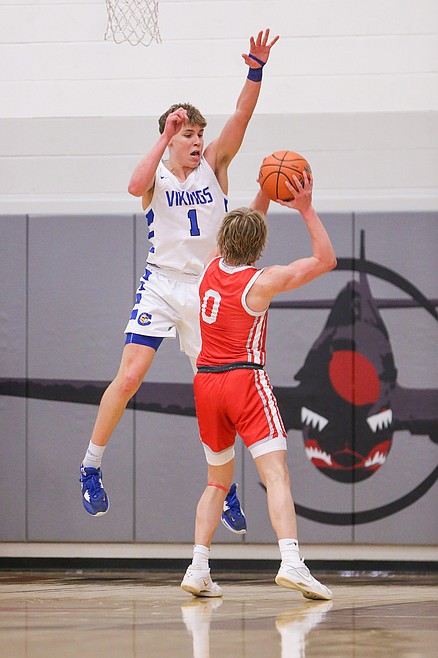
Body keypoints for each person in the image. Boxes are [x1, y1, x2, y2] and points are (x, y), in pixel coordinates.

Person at [79, 29, 279, 535]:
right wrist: (164, 134)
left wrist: (255, 70)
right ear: (170, 138)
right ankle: (91, 465)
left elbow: (241, 116)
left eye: (197, 133)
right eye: (186, 134)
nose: (195, 141)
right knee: (130, 376)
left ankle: (225, 486)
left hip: (207, 290)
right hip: (162, 284)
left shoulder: (215, 164)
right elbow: (133, 185)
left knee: (213, 394)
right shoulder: (157, 176)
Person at [180, 171, 337, 600]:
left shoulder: (209, 267)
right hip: (244, 379)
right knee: (276, 473)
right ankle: (292, 562)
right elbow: (325, 260)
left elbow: (243, 228)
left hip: (206, 383)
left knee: (217, 481)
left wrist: (264, 192)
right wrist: (305, 208)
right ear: (259, 246)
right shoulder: (262, 281)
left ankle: (198, 567)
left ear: (223, 239)